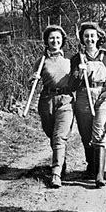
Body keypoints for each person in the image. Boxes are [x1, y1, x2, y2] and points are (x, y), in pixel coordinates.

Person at [70, 22, 106, 188]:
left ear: (98, 37)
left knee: (99, 133)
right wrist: (78, 74)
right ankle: (91, 166)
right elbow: (72, 86)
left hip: (102, 95)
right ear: (82, 38)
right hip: (83, 96)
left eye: (92, 36)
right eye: (86, 36)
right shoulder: (77, 58)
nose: (89, 39)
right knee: (86, 135)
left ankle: (100, 174)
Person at [31, 25, 73, 188]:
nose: (55, 41)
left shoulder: (70, 58)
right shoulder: (41, 60)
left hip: (66, 100)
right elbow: (32, 83)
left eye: (58, 38)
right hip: (47, 100)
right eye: (51, 38)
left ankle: (55, 173)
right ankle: (62, 162)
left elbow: (78, 79)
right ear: (46, 41)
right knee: (51, 134)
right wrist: (33, 78)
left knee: (59, 136)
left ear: (62, 40)